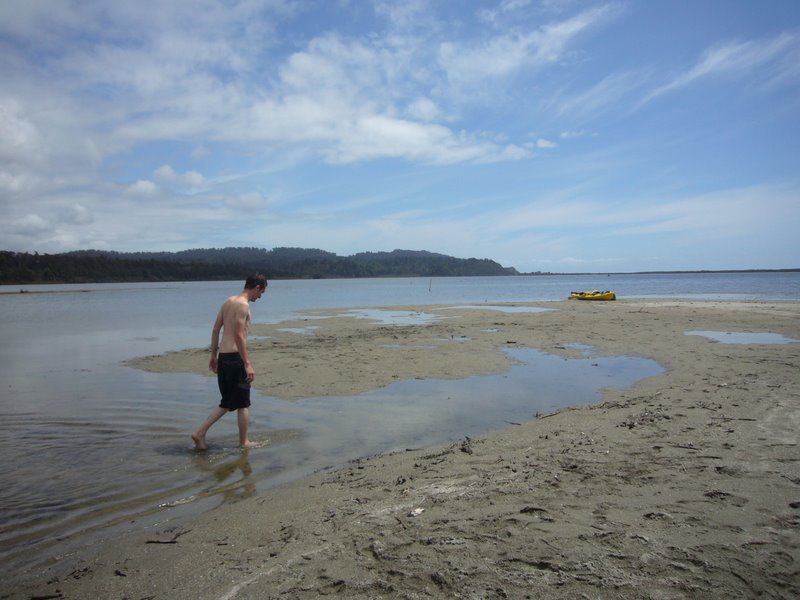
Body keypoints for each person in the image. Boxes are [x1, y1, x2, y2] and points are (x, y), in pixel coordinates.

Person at [191, 273, 268, 450]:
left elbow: (216, 329)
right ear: (257, 287)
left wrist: (213, 356)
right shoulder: (243, 305)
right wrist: (247, 363)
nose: (260, 297)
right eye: (261, 293)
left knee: (227, 402)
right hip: (235, 359)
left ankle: (200, 434)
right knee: (243, 403)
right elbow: (239, 336)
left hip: (224, 357)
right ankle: (243, 442)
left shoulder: (228, 302)